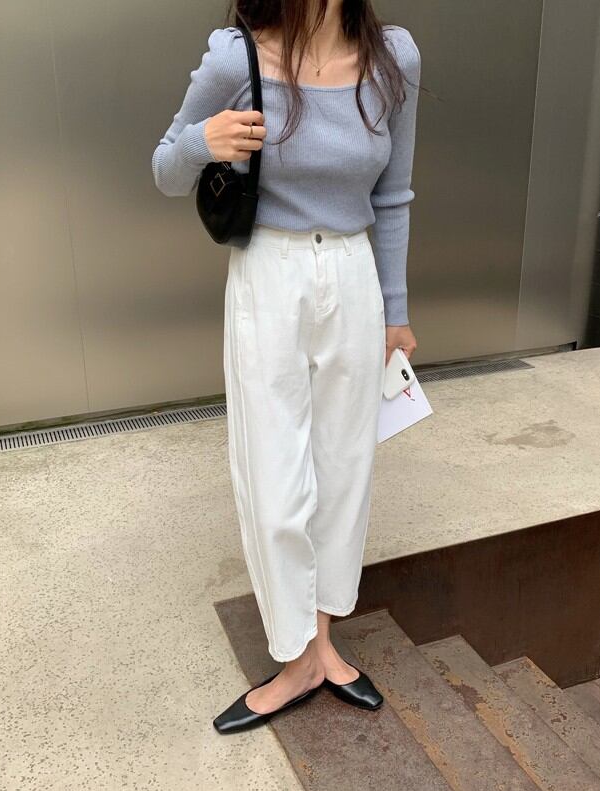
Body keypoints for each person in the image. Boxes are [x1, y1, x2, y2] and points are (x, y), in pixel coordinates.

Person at [152, 0, 420, 734]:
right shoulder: (235, 56)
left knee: (344, 468)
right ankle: (295, 654)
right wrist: (204, 141)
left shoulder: (394, 57)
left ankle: (321, 644)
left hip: (355, 274)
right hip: (269, 271)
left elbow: (394, 195)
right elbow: (166, 168)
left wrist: (395, 310)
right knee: (274, 476)